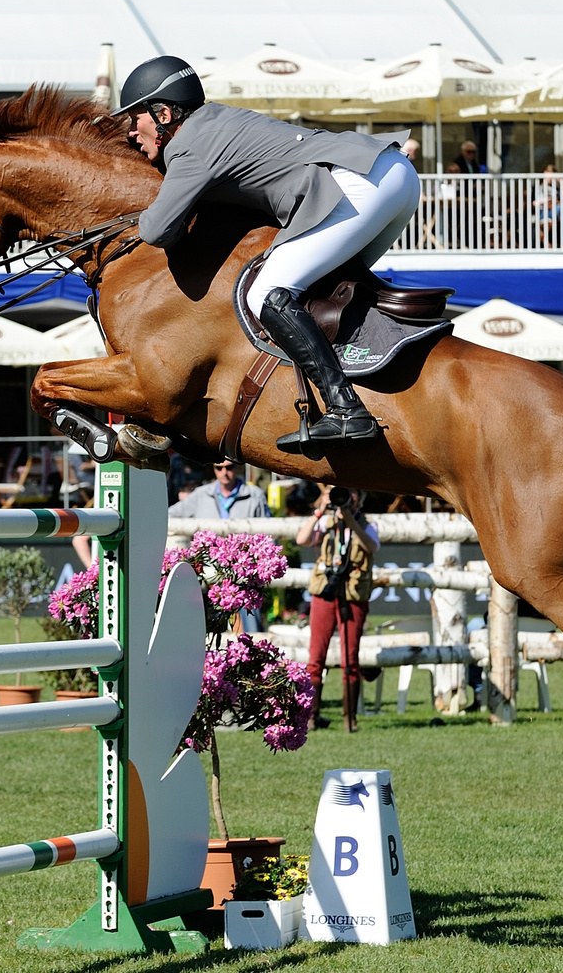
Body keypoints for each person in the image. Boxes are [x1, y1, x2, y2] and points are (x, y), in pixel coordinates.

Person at [116, 55, 418, 452]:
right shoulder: (218, 120)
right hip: (393, 175)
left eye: (135, 119)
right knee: (323, 291)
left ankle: (347, 411)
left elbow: (157, 231)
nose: (131, 133)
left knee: (267, 293)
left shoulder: (188, 147)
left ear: (164, 113)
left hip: (360, 185)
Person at [296, 486, 378, 732]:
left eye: (352, 492)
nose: (347, 497)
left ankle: (349, 719)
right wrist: (320, 510)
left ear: (359, 497)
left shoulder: (367, 524)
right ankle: (310, 716)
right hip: (325, 593)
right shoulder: (325, 522)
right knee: (315, 658)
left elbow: (371, 547)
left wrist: (351, 522)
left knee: (350, 659)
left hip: (353, 595)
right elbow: (301, 539)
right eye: (341, 492)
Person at [169, 458, 270, 630]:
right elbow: (171, 514)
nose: (224, 472)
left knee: (249, 625)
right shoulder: (201, 494)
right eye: (219, 467)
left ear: (237, 468)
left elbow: (269, 532)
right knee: (209, 626)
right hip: (210, 571)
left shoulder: (255, 495)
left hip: (244, 572)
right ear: (214, 469)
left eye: (229, 467)